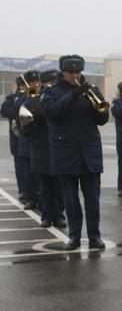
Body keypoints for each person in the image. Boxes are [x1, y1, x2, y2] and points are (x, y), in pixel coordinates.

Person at [41, 55, 109, 250]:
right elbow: (52, 113)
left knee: (92, 200)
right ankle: (74, 237)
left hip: (89, 153)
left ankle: (95, 236)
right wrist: (74, 94)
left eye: (78, 72)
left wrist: (102, 110)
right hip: (65, 154)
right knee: (70, 201)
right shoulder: (52, 92)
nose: (74, 75)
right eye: (71, 72)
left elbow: (102, 120)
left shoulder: (92, 90)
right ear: (63, 72)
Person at [26, 70, 65, 228]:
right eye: (48, 81)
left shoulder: (61, 97)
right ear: (42, 83)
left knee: (59, 185)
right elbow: (25, 125)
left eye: (54, 81)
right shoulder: (33, 99)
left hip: (59, 147)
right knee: (44, 185)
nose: (51, 84)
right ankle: (46, 216)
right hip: (41, 146)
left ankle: (59, 215)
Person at [7, 74, 39, 209]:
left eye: (37, 81)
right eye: (32, 82)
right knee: (26, 171)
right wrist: (26, 96)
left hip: (39, 140)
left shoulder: (43, 95)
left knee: (40, 173)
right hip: (24, 140)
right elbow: (13, 111)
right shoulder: (17, 97)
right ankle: (29, 197)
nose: (35, 84)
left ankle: (42, 199)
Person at [1, 77, 26, 202]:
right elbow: (5, 111)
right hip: (17, 137)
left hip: (31, 138)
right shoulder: (12, 98)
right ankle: (23, 190)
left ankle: (34, 192)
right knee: (20, 167)